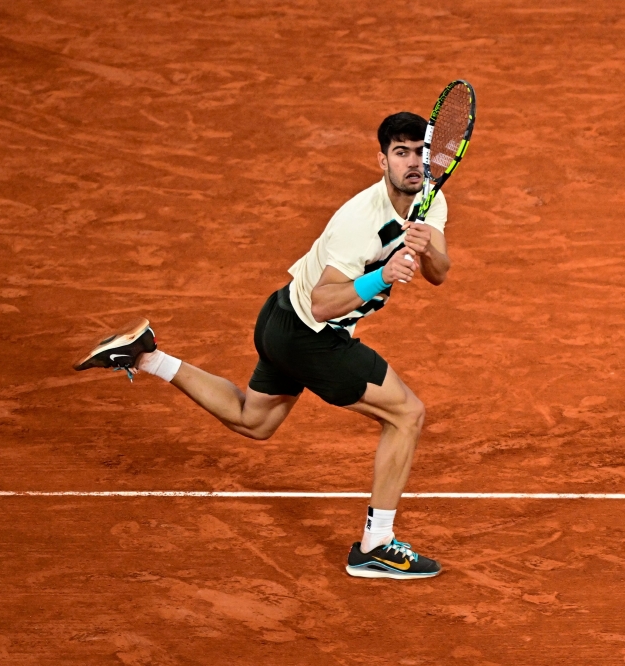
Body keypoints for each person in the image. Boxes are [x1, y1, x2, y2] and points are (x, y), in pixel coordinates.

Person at [74, 112, 451, 580]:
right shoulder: (358, 220)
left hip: (278, 318)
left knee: (253, 420)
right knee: (406, 414)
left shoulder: (431, 201)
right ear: (382, 160)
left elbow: (439, 271)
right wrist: (383, 273)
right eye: (401, 152)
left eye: (420, 152)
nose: (413, 163)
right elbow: (321, 304)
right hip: (311, 334)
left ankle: (147, 355)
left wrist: (427, 248)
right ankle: (376, 546)